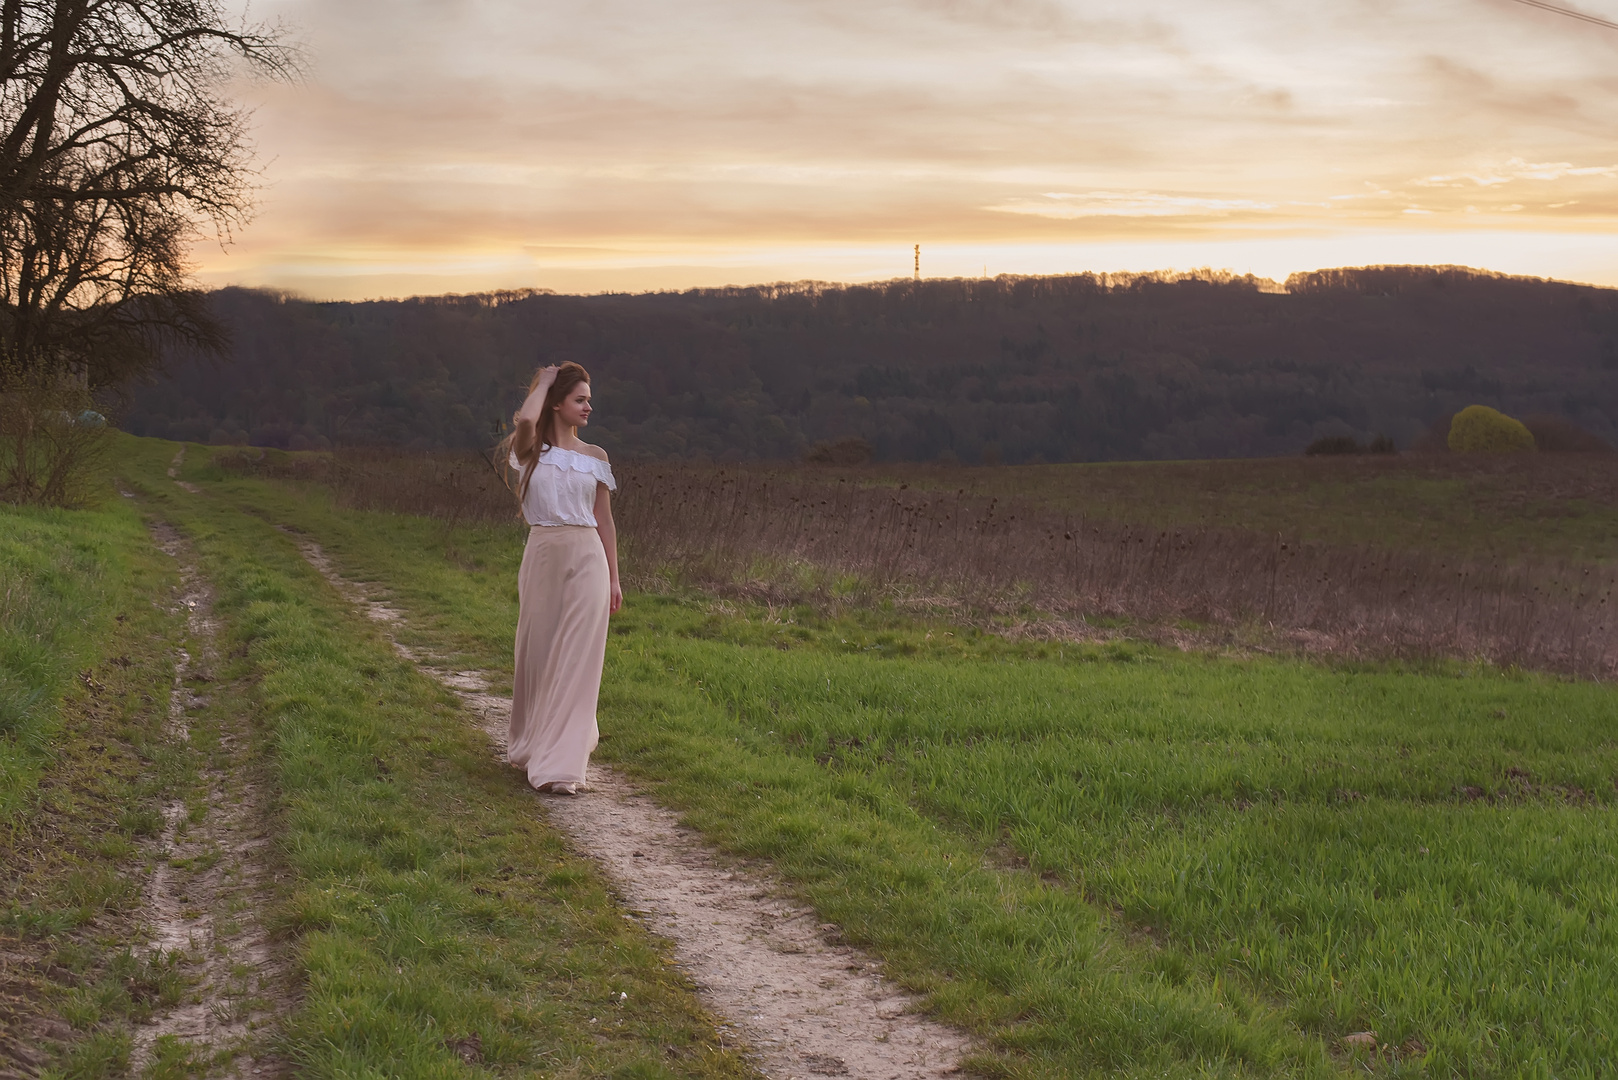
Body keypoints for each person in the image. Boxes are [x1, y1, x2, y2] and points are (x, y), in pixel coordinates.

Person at [498, 361, 622, 795]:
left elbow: (604, 521)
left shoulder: (597, 457)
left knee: (579, 658)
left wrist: (614, 578)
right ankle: (534, 744)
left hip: (589, 557)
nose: (589, 406)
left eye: (589, 398)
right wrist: (546, 382)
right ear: (557, 404)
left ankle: (562, 765)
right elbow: (528, 419)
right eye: (580, 399)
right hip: (544, 554)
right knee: (538, 652)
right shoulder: (530, 450)